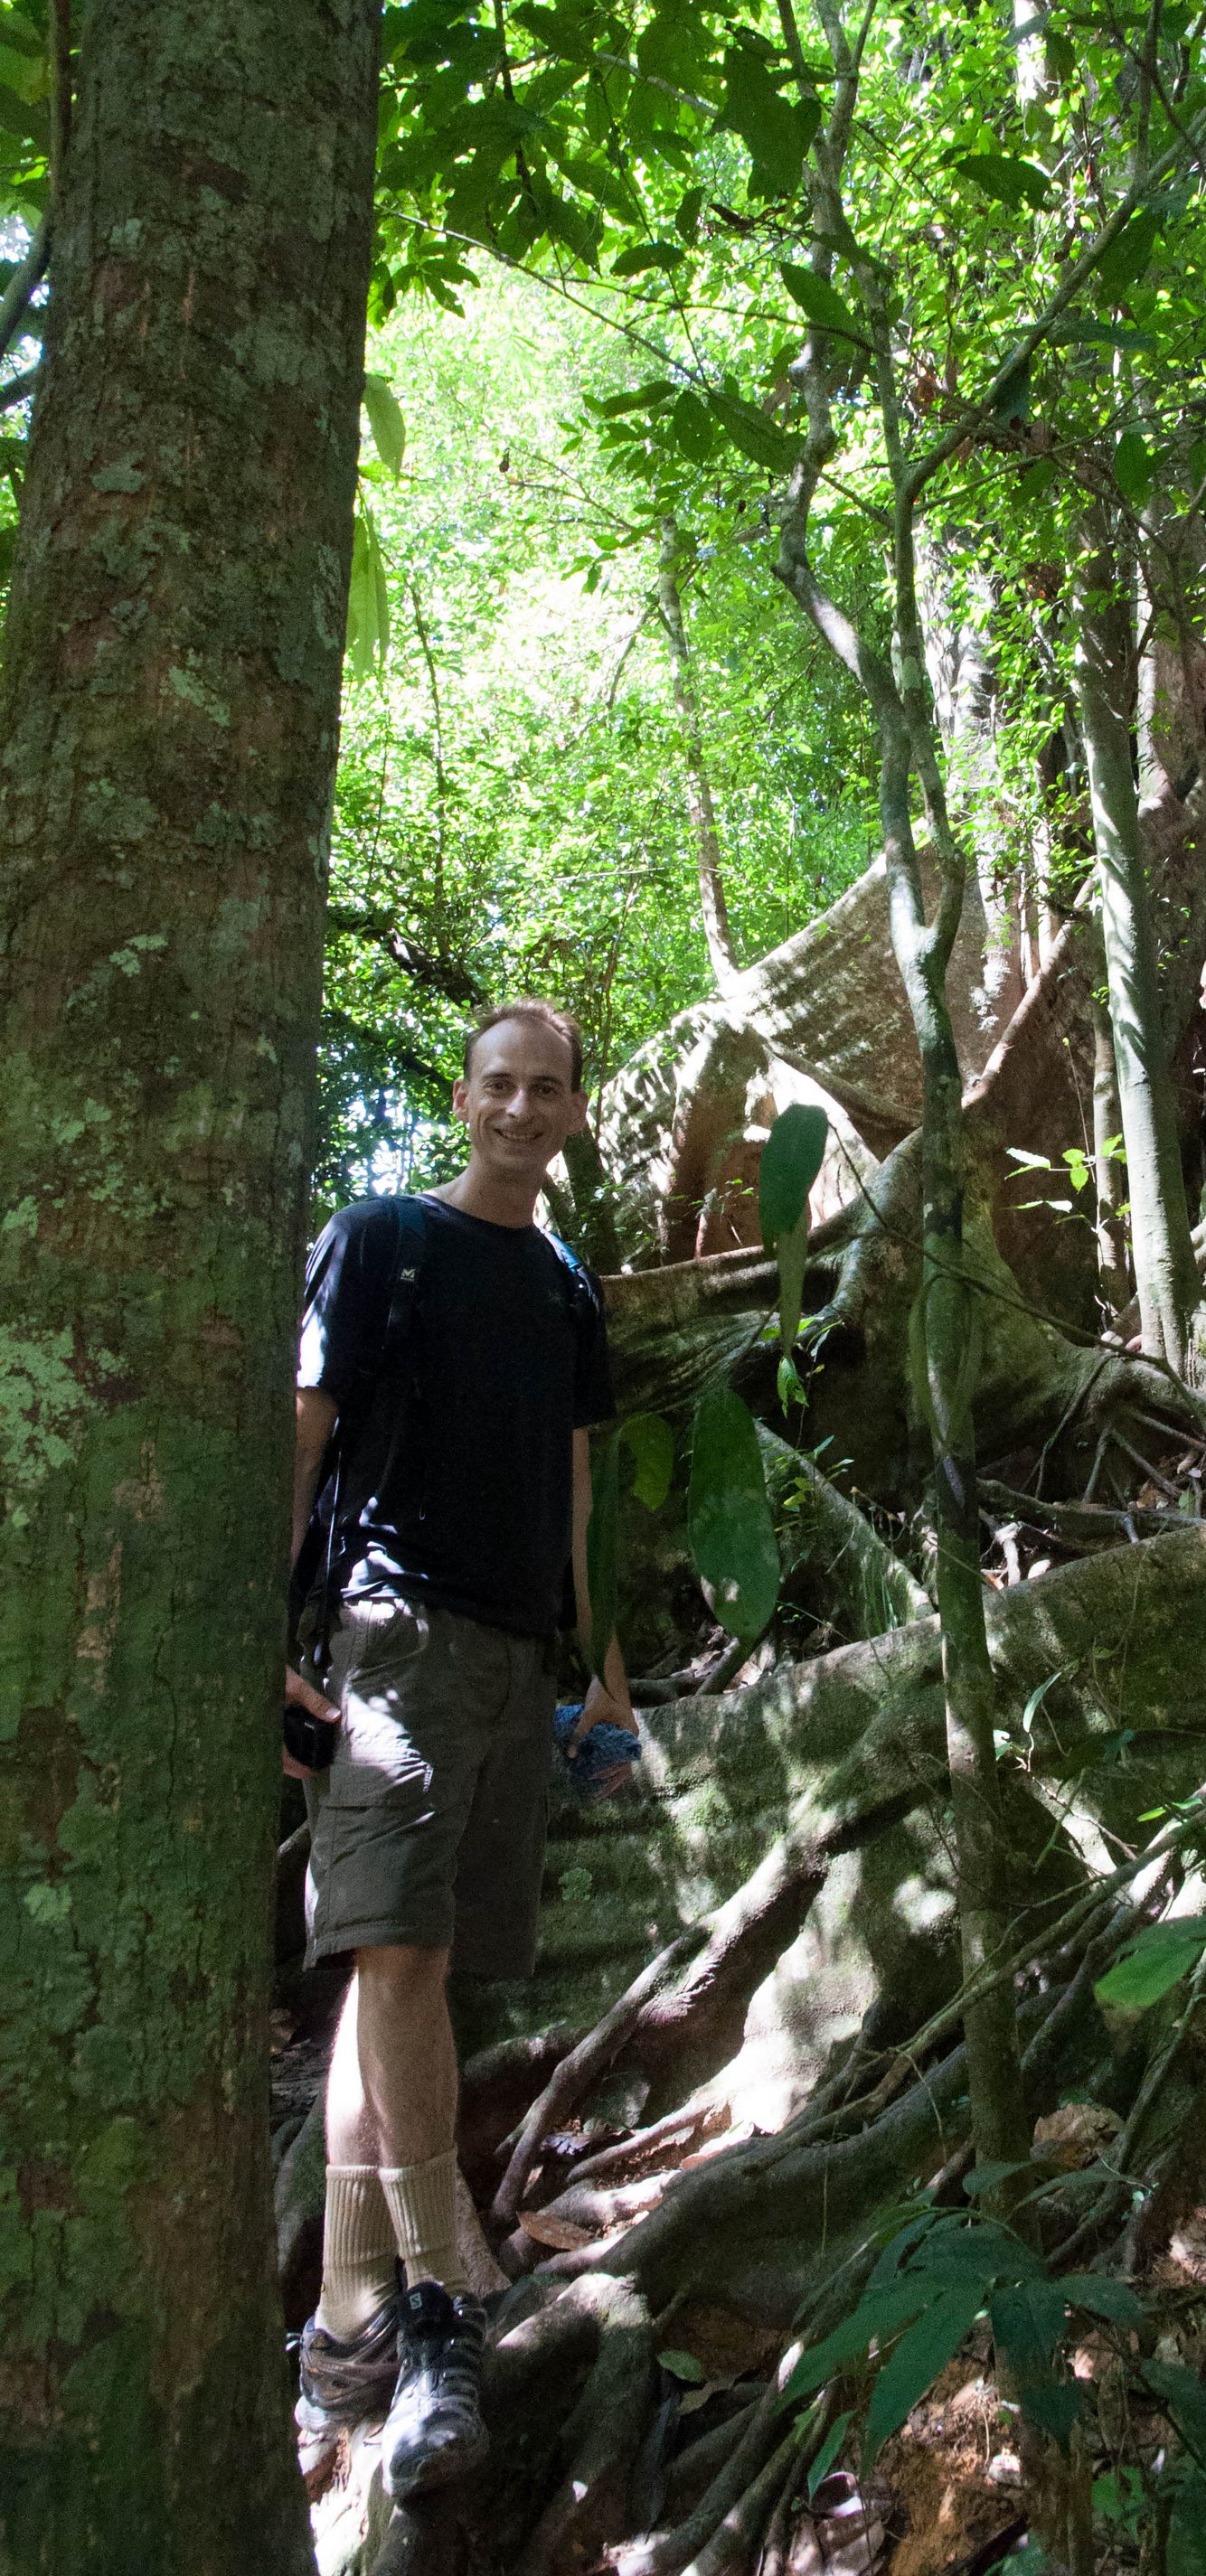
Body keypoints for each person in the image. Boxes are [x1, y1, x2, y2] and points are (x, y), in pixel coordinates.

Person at [284, 1000, 635, 2499]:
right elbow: (304, 1434)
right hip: (393, 1635)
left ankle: (339, 2324)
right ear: (464, 1093)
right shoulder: (383, 1239)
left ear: (569, 1112)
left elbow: (579, 1495)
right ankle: (446, 2297)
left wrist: (606, 1673)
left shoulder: (563, 1287)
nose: (520, 1107)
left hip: (512, 1657)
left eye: (545, 1089)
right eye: (499, 1083)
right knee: (401, 1958)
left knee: (403, 1965)